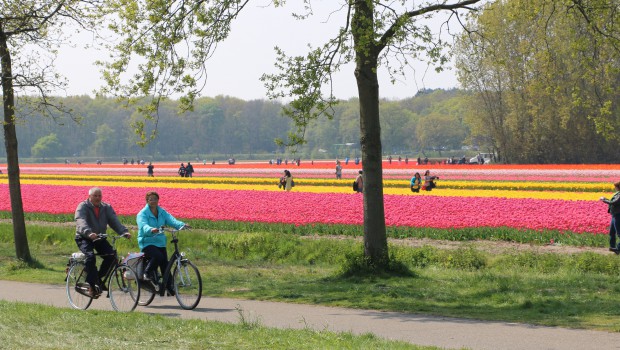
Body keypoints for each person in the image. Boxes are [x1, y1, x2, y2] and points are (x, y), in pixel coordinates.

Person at [74, 187, 131, 296]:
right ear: (89, 196)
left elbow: (114, 221)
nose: (97, 198)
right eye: (95, 196)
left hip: (99, 237)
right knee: (90, 257)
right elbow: (80, 221)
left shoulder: (106, 207)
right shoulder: (83, 206)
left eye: (99, 195)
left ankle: (97, 279)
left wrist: (124, 232)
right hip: (84, 237)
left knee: (111, 256)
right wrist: (88, 233)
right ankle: (91, 285)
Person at [136, 191, 188, 294]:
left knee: (165, 265)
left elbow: (171, 220)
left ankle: (169, 287)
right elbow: (143, 225)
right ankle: (147, 273)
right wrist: (151, 229)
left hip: (160, 242)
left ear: (158, 200)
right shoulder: (142, 214)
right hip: (147, 242)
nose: (153, 201)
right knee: (158, 256)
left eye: (155, 199)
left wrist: (182, 225)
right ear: (147, 201)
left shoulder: (161, 212)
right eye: (151, 199)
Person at [600, 181, 620, 253]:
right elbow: (613, 201)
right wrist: (606, 199)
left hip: (618, 215)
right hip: (614, 215)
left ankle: (618, 248)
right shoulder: (617, 193)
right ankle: (613, 247)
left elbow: (615, 202)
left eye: (616, 186)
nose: (615, 188)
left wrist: (604, 200)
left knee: (619, 233)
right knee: (612, 232)